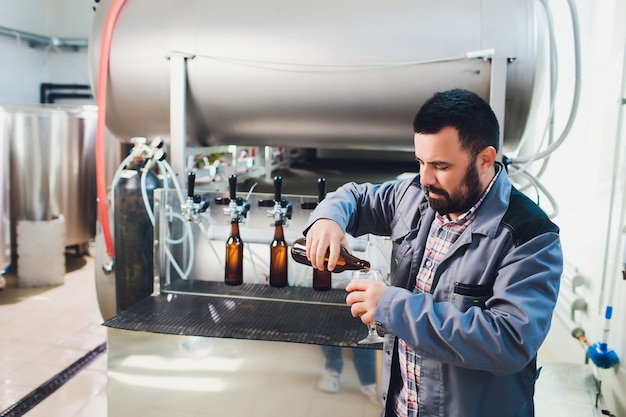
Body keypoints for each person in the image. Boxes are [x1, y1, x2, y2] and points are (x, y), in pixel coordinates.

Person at [303, 89, 563, 417]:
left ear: (485, 159)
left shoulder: (530, 236)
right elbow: (356, 196)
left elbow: (509, 342)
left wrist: (391, 305)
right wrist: (327, 219)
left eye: (440, 165)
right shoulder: (415, 197)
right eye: (420, 162)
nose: (425, 178)